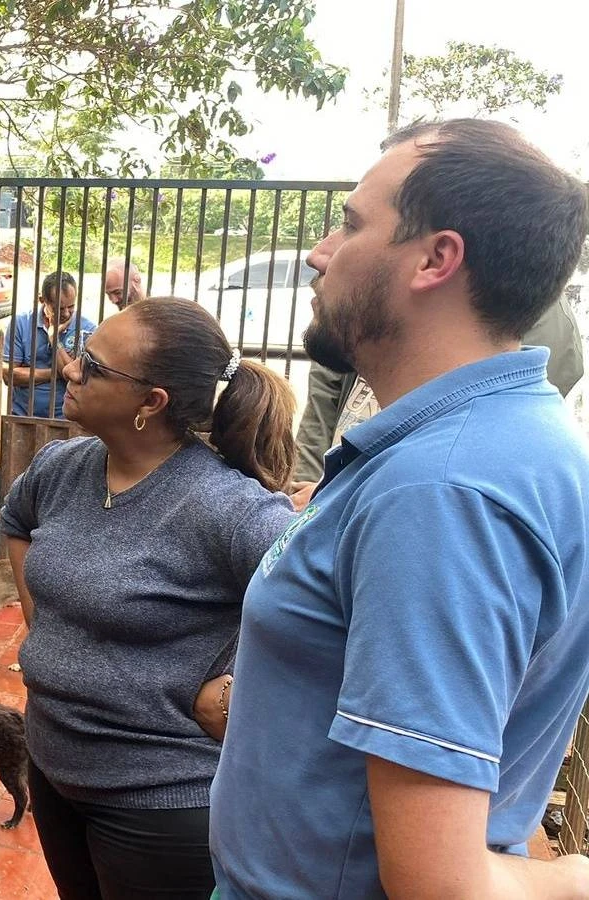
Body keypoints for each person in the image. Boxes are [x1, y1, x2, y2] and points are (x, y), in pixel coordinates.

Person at [210, 120, 589, 897]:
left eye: (351, 225)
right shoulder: (494, 442)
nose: (319, 252)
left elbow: (441, 884)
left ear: (436, 259)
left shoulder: (442, 493)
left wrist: (572, 879)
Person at [0, 297, 297, 899]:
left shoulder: (226, 507)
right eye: (80, 353)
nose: (70, 369)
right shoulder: (62, 467)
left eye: (93, 365)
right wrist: (46, 628)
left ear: (151, 402)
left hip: (158, 801)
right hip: (54, 767)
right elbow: (17, 519)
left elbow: (342, 620)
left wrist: (241, 689)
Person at [293, 294, 584, 483]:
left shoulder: (537, 310)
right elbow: (327, 388)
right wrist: (312, 482)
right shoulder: (409, 266)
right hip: (344, 476)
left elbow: (491, 443)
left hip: (405, 487)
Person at [1, 271, 96, 417]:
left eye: (71, 306)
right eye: (59, 308)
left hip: (65, 419)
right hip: (22, 416)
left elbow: (78, 378)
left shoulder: (87, 329)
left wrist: (54, 339)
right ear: (42, 300)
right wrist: (57, 372)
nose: (66, 313)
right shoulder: (21, 323)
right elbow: (9, 375)